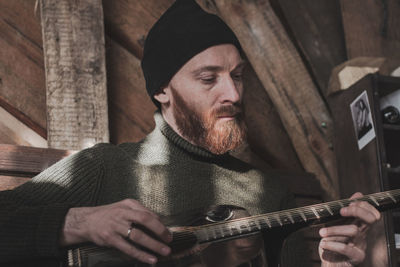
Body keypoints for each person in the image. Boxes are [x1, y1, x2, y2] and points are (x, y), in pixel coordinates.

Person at [0, 0, 380, 266]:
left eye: (237, 76)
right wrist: (76, 222)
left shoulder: (269, 193)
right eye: (208, 78)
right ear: (162, 90)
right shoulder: (102, 168)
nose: (232, 94)